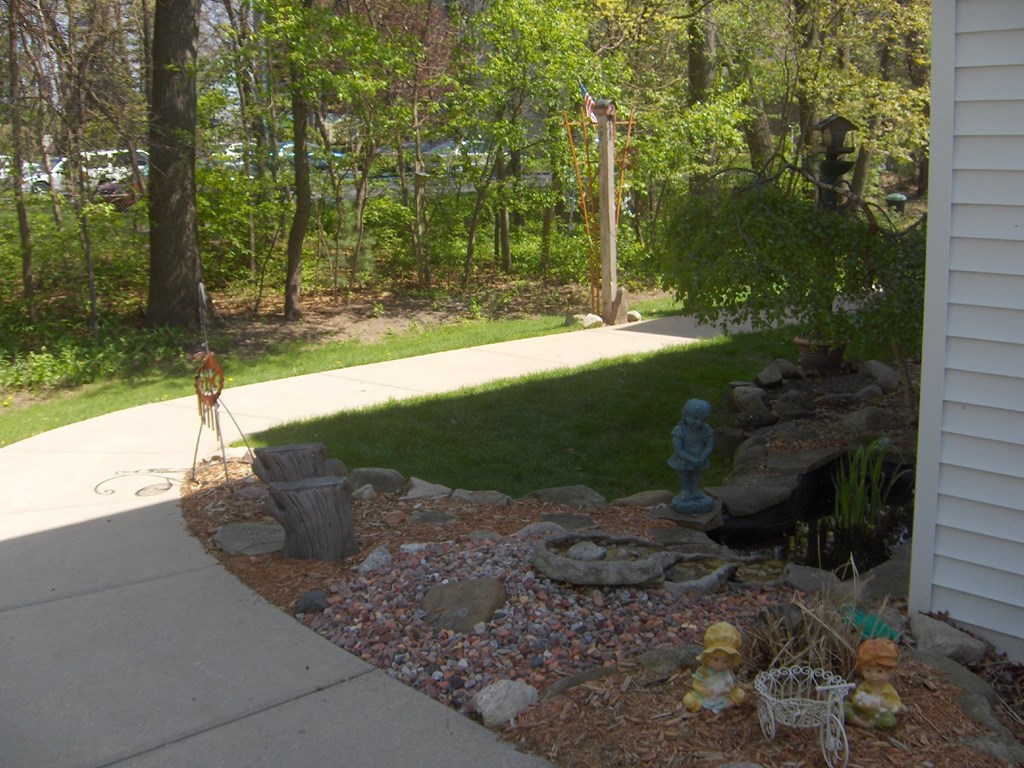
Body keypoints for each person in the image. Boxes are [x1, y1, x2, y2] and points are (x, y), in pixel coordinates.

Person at [683, 622, 746, 714]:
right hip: (706, 696)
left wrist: (727, 690)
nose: (720, 664)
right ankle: (704, 707)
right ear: (707, 657)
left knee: (740, 695)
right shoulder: (703, 671)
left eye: (726, 661)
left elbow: (730, 685)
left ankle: (722, 707)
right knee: (689, 700)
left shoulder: (726, 673)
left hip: (721, 697)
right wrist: (704, 690)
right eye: (716, 659)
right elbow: (696, 684)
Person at [844, 638, 905, 732]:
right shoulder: (864, 686)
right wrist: (865, 704)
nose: (873, 675)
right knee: (844, 707)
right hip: (861, 712)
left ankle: (873, 724)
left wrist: (887, 705)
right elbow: (856, 700)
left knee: (890, 721)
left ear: (891, 671)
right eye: (868, 670)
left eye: (880, 671)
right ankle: (861, 723)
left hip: (878, 715)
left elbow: (898, 706)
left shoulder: (889, 690)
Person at [668, 398, 714, 514]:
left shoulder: (706, 429)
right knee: (684, 474)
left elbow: (709, 446)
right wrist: (692, 459)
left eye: (702, 420)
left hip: (699, 457)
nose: (699, 422)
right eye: (695, 418)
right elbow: (678, 450)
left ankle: (695, 490)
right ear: (685, 415)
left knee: (696, 473)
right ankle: (685, 491)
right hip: (684, 458)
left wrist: (703, 457)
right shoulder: (680, 430)